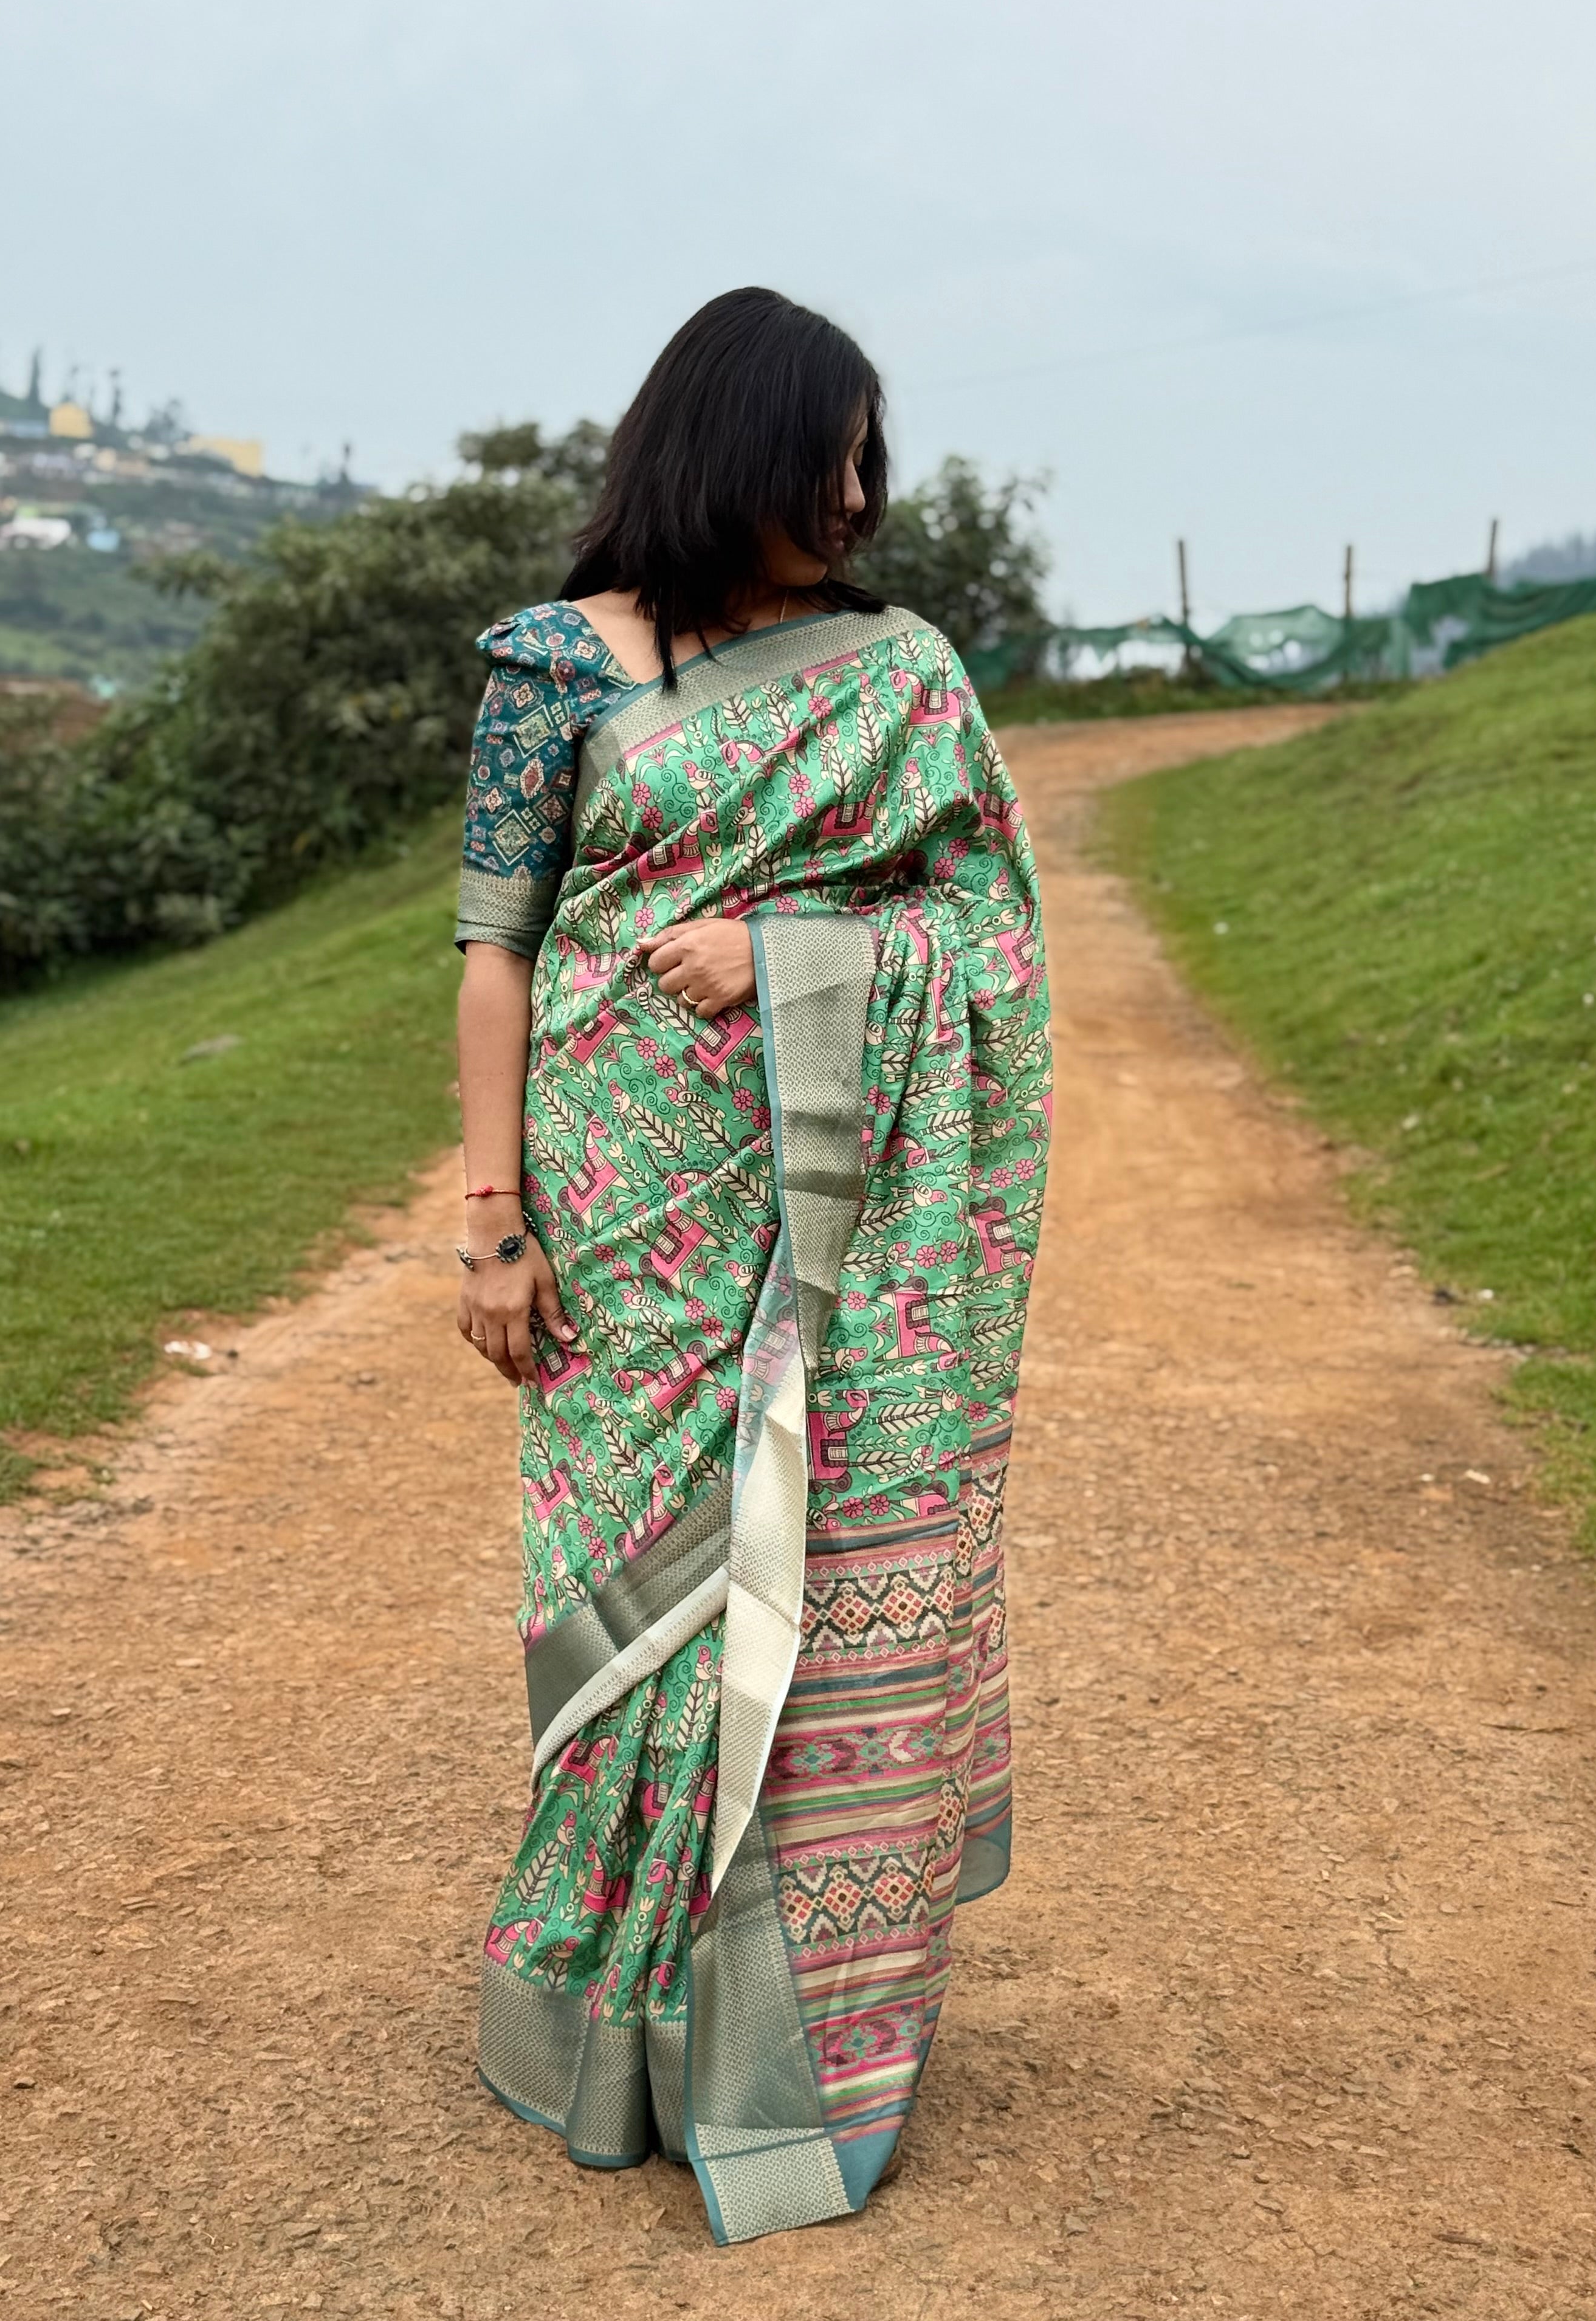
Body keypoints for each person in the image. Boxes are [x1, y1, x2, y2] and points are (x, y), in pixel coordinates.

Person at [453, 286, 1050, 2246]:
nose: (863, 496)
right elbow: (499, 952)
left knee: (804, 1613)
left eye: (874, 457)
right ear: (741, 453)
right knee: (624, 1620)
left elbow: (993, 932)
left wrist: (809, 956)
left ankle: (773, 2054)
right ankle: (600, 2034)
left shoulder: (903, 674)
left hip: (833, 1242)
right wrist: (497, 1218)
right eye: (834, 455)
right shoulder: (556, 666)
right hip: (620, 1228)